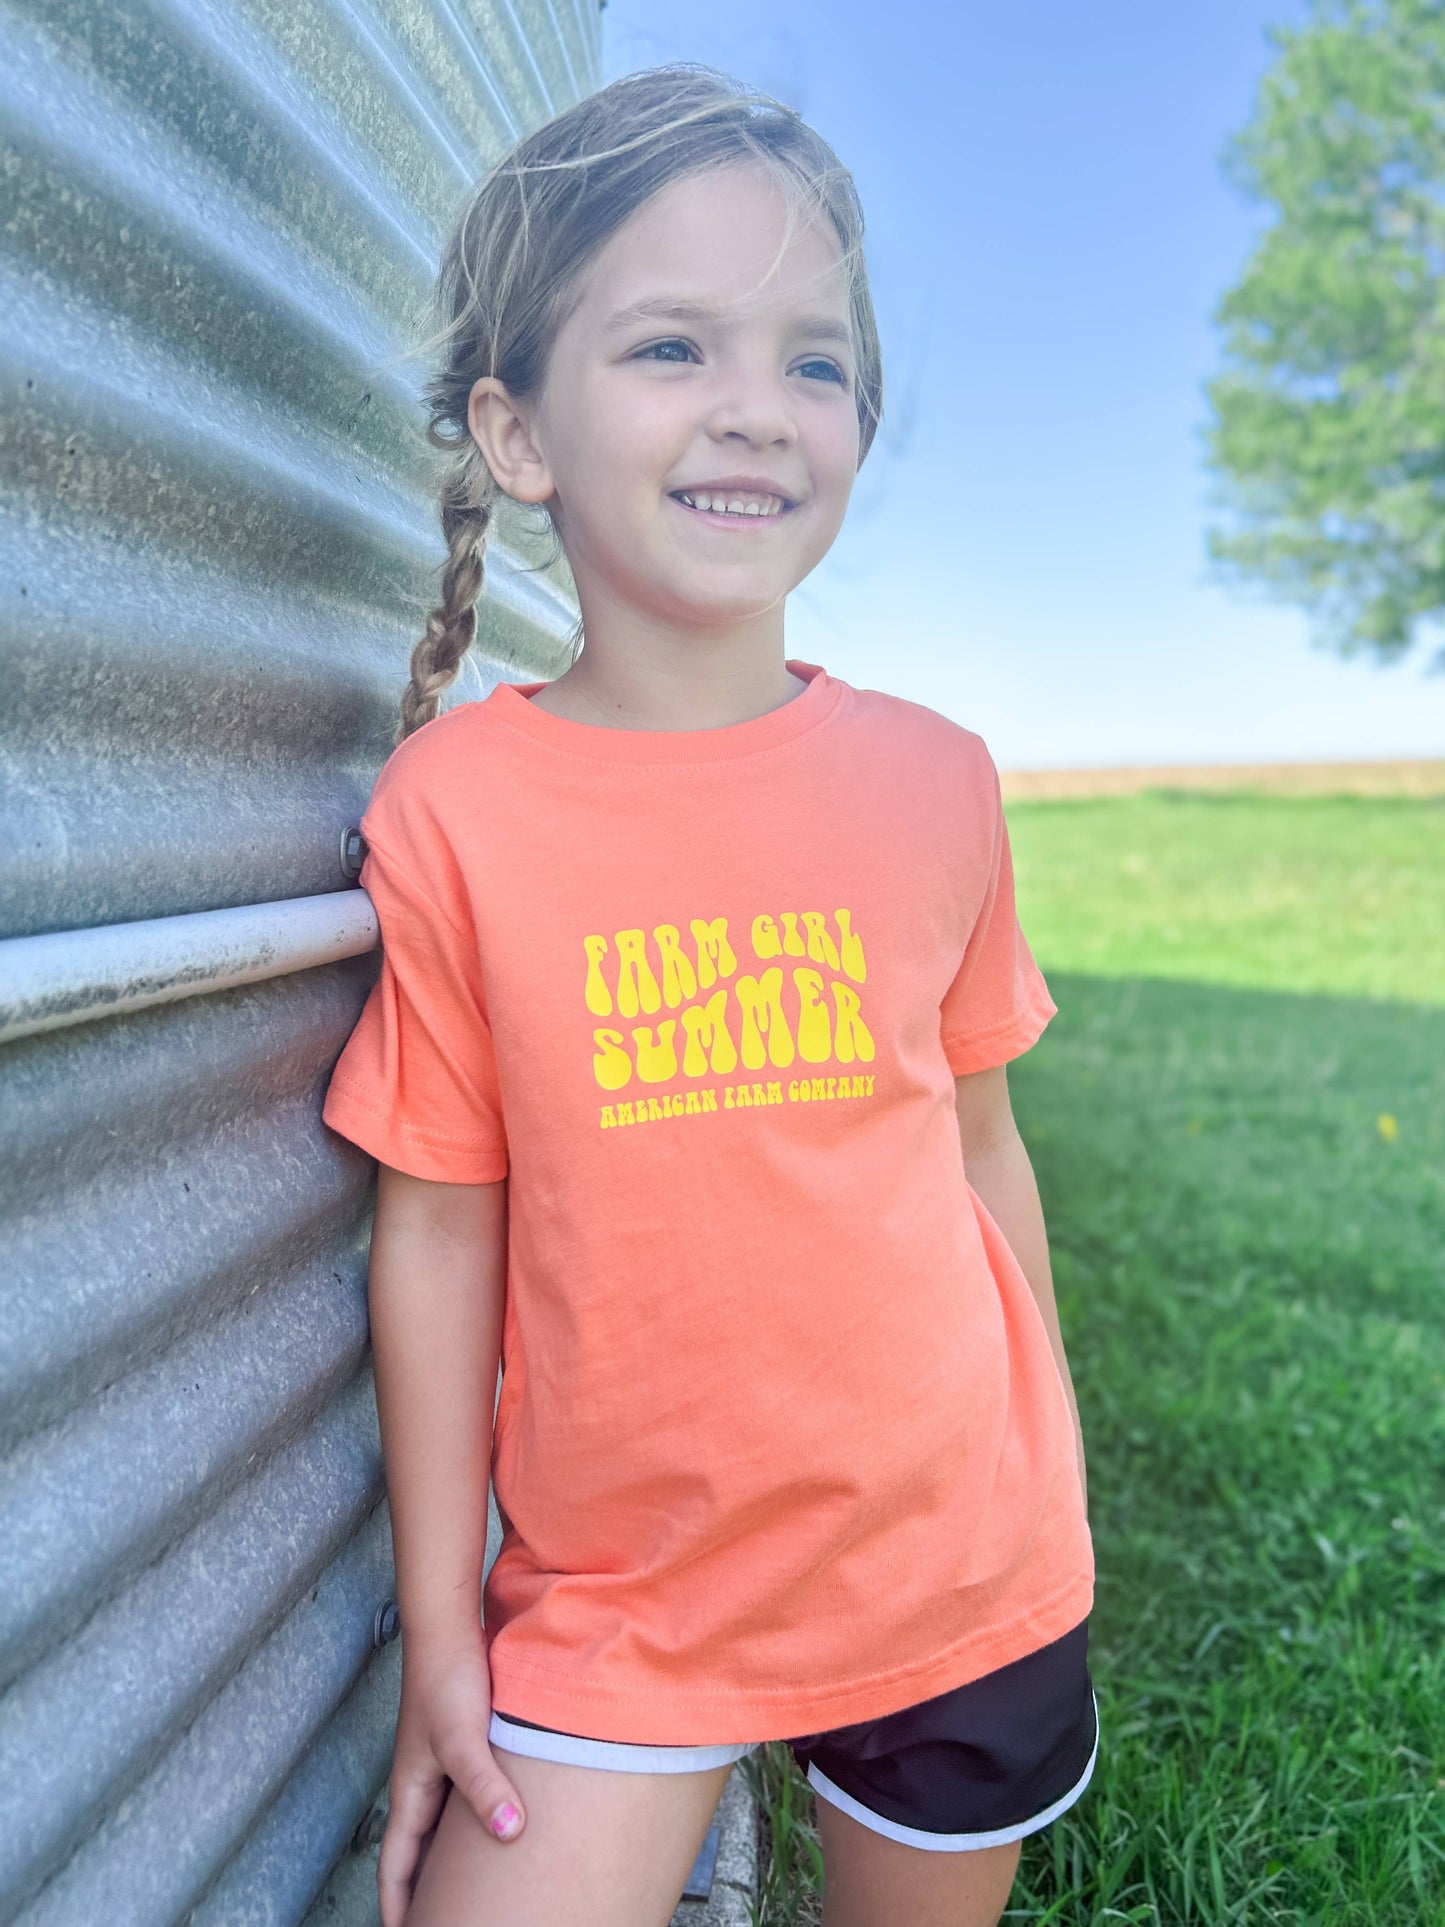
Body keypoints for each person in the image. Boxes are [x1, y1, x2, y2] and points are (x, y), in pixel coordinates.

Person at [321, 62, 1098, 1927]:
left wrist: (1042, 1470)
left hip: (952, 1568)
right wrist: (446, 1628)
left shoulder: (935, 780)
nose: (757, 408)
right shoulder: (456, 812)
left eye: (813, 361)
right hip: (620, 1601)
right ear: (517, 434)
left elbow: (981, 1146)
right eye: (674, 345)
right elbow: (437, 1234)